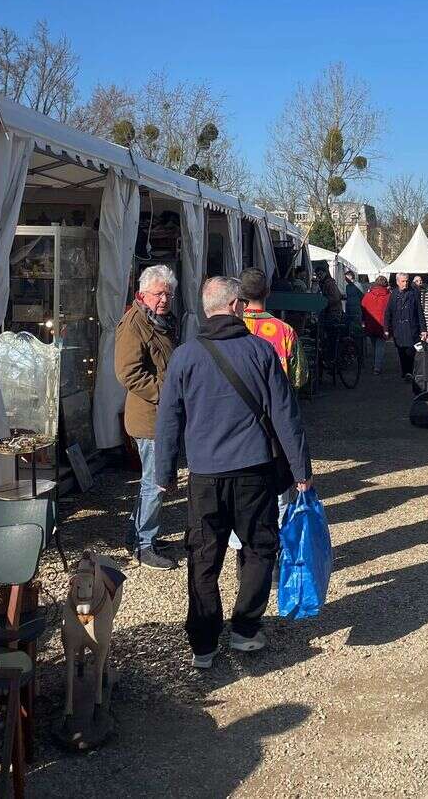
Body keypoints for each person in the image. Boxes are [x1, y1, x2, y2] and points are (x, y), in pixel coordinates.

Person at [156, 276, 312, 669]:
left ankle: (204, 644)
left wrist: (165, 469)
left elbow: (169, 418)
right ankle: (244, 629)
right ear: (236, 306)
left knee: (204, 557)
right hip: (253, 471)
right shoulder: (261, 353)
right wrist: (300, 469)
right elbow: (285, 415)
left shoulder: (185, 356)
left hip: (205, 473)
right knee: (260, 548)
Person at [115, 264, 180, 569]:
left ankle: (135, 534)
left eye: (168, 293)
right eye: (158, 293)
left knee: (151, 481)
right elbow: (128, 372)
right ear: (142, 294)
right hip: (149, 416)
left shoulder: (161, 322)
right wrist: (164, 394)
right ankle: (143, 544)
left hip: (161, 414)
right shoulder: (134, 324)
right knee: (156, 482)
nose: (164, 299)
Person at [240, 266, 302, 388]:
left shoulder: (230, 327)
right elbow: (299, 377)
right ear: (268, 291)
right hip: (276, 402)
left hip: (239, 403)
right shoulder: (285, 330)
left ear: (240, 293)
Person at [383, 271, 424, 383]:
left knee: (411, 351)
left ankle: (409, 372)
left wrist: (423, 330)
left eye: (407, 281)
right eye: (403, 281)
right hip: (399, 329)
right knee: (402, 352)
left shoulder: (413, 292)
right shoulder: (394, 294)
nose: (405, 283)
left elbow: (419, 312)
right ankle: (405, 372)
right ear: (397, 282)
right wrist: (386, 329)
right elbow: (388, 312)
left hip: (411, 328)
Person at [361, 274, 391, 375]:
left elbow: (363, 308)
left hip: (370, 324)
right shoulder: (388, 297)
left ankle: (376, 364)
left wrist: (363, 321)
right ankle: (377, 367)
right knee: (380, 347)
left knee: (375, 345)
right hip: (383, 325)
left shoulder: (367, 295)